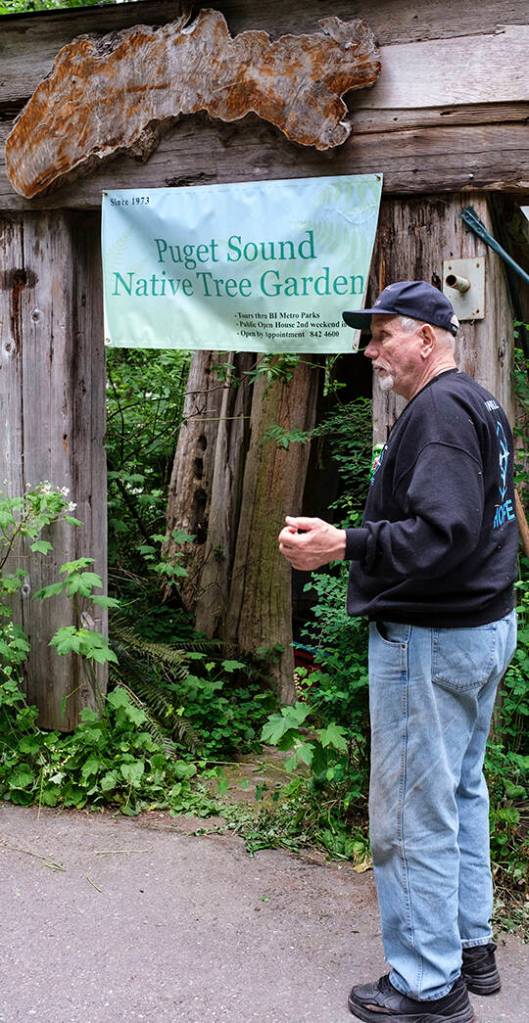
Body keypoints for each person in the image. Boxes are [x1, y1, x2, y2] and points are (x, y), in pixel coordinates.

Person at [278, 281, 518, 1023]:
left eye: (382, 334)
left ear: (424, 336)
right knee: (459, 792)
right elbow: (481, 523)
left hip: (433, 638)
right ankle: (468, 945)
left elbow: (441, 534)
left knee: (413, 813)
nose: (370, 350)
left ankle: (426, 984)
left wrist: (340, 543)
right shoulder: (476, 400)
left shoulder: (441, 411)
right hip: (482, 627)